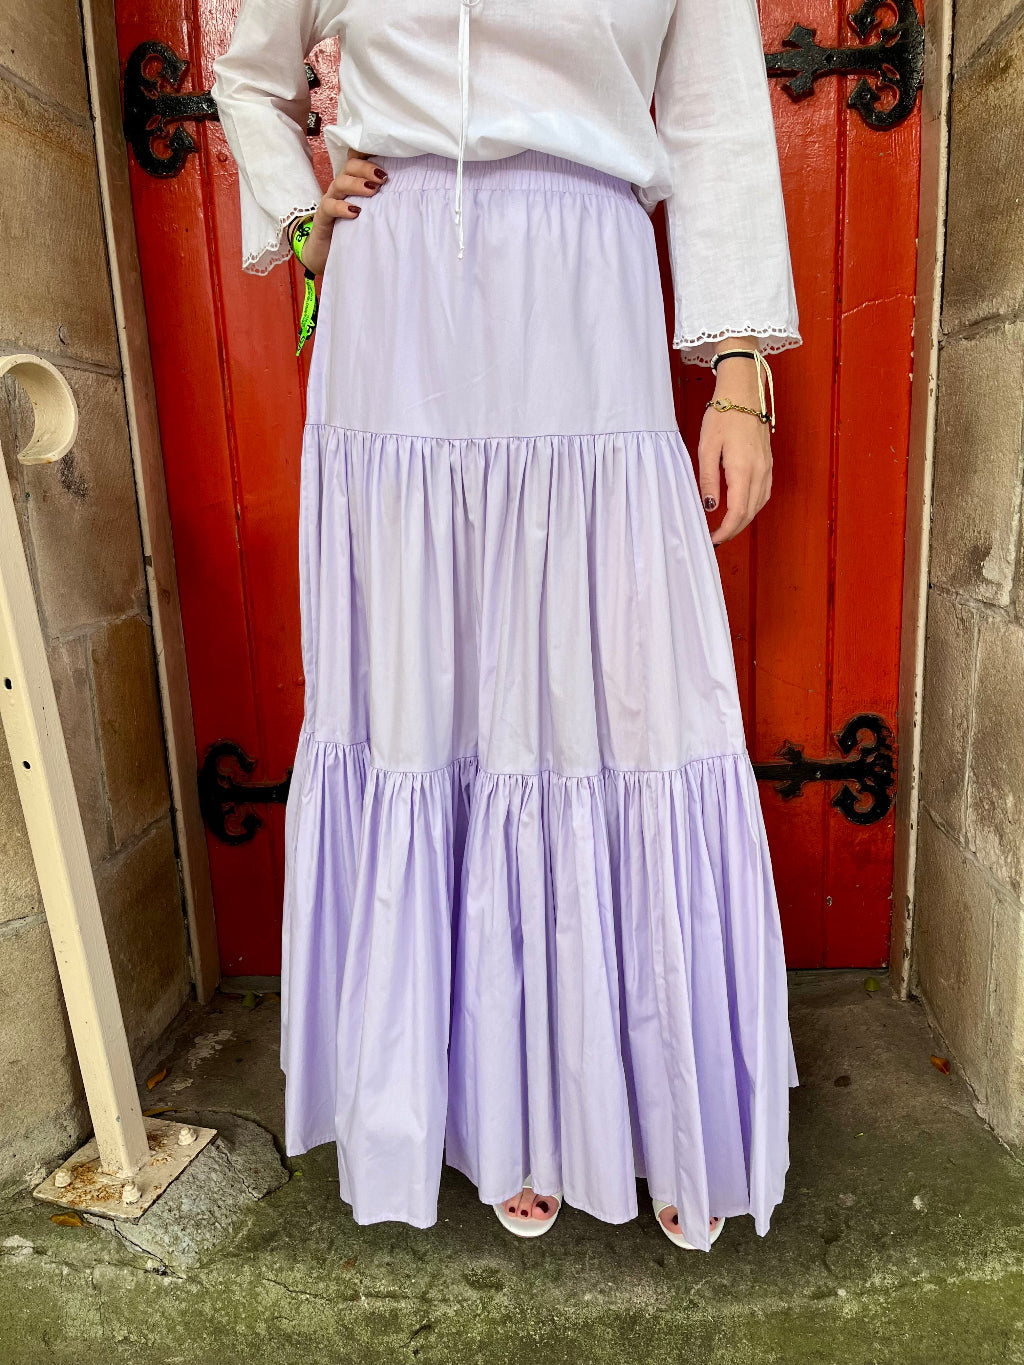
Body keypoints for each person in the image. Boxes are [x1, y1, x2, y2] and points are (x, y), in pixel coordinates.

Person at [211, 0, 801, 1252]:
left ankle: (633, 1108)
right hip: (399, 285)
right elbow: (247, 72)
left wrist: (740, 370)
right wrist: (300, 214)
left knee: (616, 683)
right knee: (428, 694)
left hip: (587, 279)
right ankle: (491, 1109)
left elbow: (714, 125)